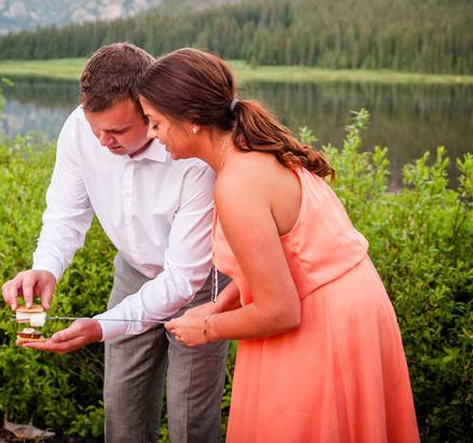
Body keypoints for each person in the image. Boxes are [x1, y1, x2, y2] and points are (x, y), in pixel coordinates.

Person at [137, 48, 420, 443]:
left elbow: (281, 310)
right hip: (351, 311)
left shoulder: (237, 185)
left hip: (321, 328)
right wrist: (221, 304)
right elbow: (283, 261)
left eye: (155, 122)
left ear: (194, 121)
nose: (151, 134)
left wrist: (208, 327)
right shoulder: (254, 150)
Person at [1, 43, 230, 443]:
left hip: (202, 283)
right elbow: (65, 212)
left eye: (119, 131)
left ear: (149, 109)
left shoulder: (193, 156)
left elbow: (182, 279)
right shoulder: (79, 129)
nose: (104, 141)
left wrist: (100, 327)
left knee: (189, 414)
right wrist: (45, 266)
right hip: (133, 272)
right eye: (97, 129)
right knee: (121, 405)